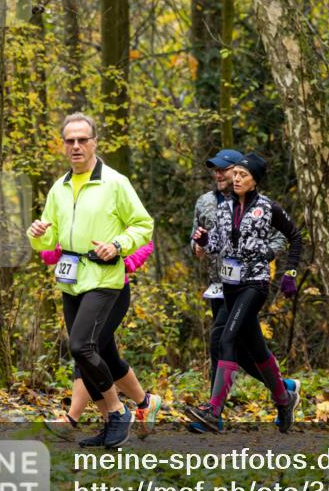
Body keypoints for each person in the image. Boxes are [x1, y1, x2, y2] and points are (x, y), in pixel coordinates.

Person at [28, 112, 154, 449]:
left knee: (81, 346)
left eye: (83, 139)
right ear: (63, 145)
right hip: (71, 281)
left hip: (105, 280)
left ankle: (117, 412)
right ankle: (121, 416)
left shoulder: (115, 182)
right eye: (70, 140)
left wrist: (118, 245)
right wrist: (38, 233)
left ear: (95, 142)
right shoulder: (59, 187)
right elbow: (47, 240)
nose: (76, 146)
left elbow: (143, 226)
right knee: (96, 354)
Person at [186, 153, 303, 433]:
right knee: (256, 347)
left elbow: (295, 236)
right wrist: (203, 240)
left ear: (255, 180)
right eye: (234, 174)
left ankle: (214, 411)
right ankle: (283, 399)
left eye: (242, 175)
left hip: (254, 283)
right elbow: (216, 245)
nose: (236, 179)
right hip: (229, 286)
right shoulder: (224, 207)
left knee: (227, 338)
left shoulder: (267, 207)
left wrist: (290, 274)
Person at [43, 240, 161, 441]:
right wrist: (58, 247)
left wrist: (126, 261)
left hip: (108, 289)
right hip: (75, 290)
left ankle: (76, 419)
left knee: (86, 350)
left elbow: (144, 236)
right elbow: (47, 254)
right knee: (105, 355)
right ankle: (139, 405)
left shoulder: (113, 208)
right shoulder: (65, 209)